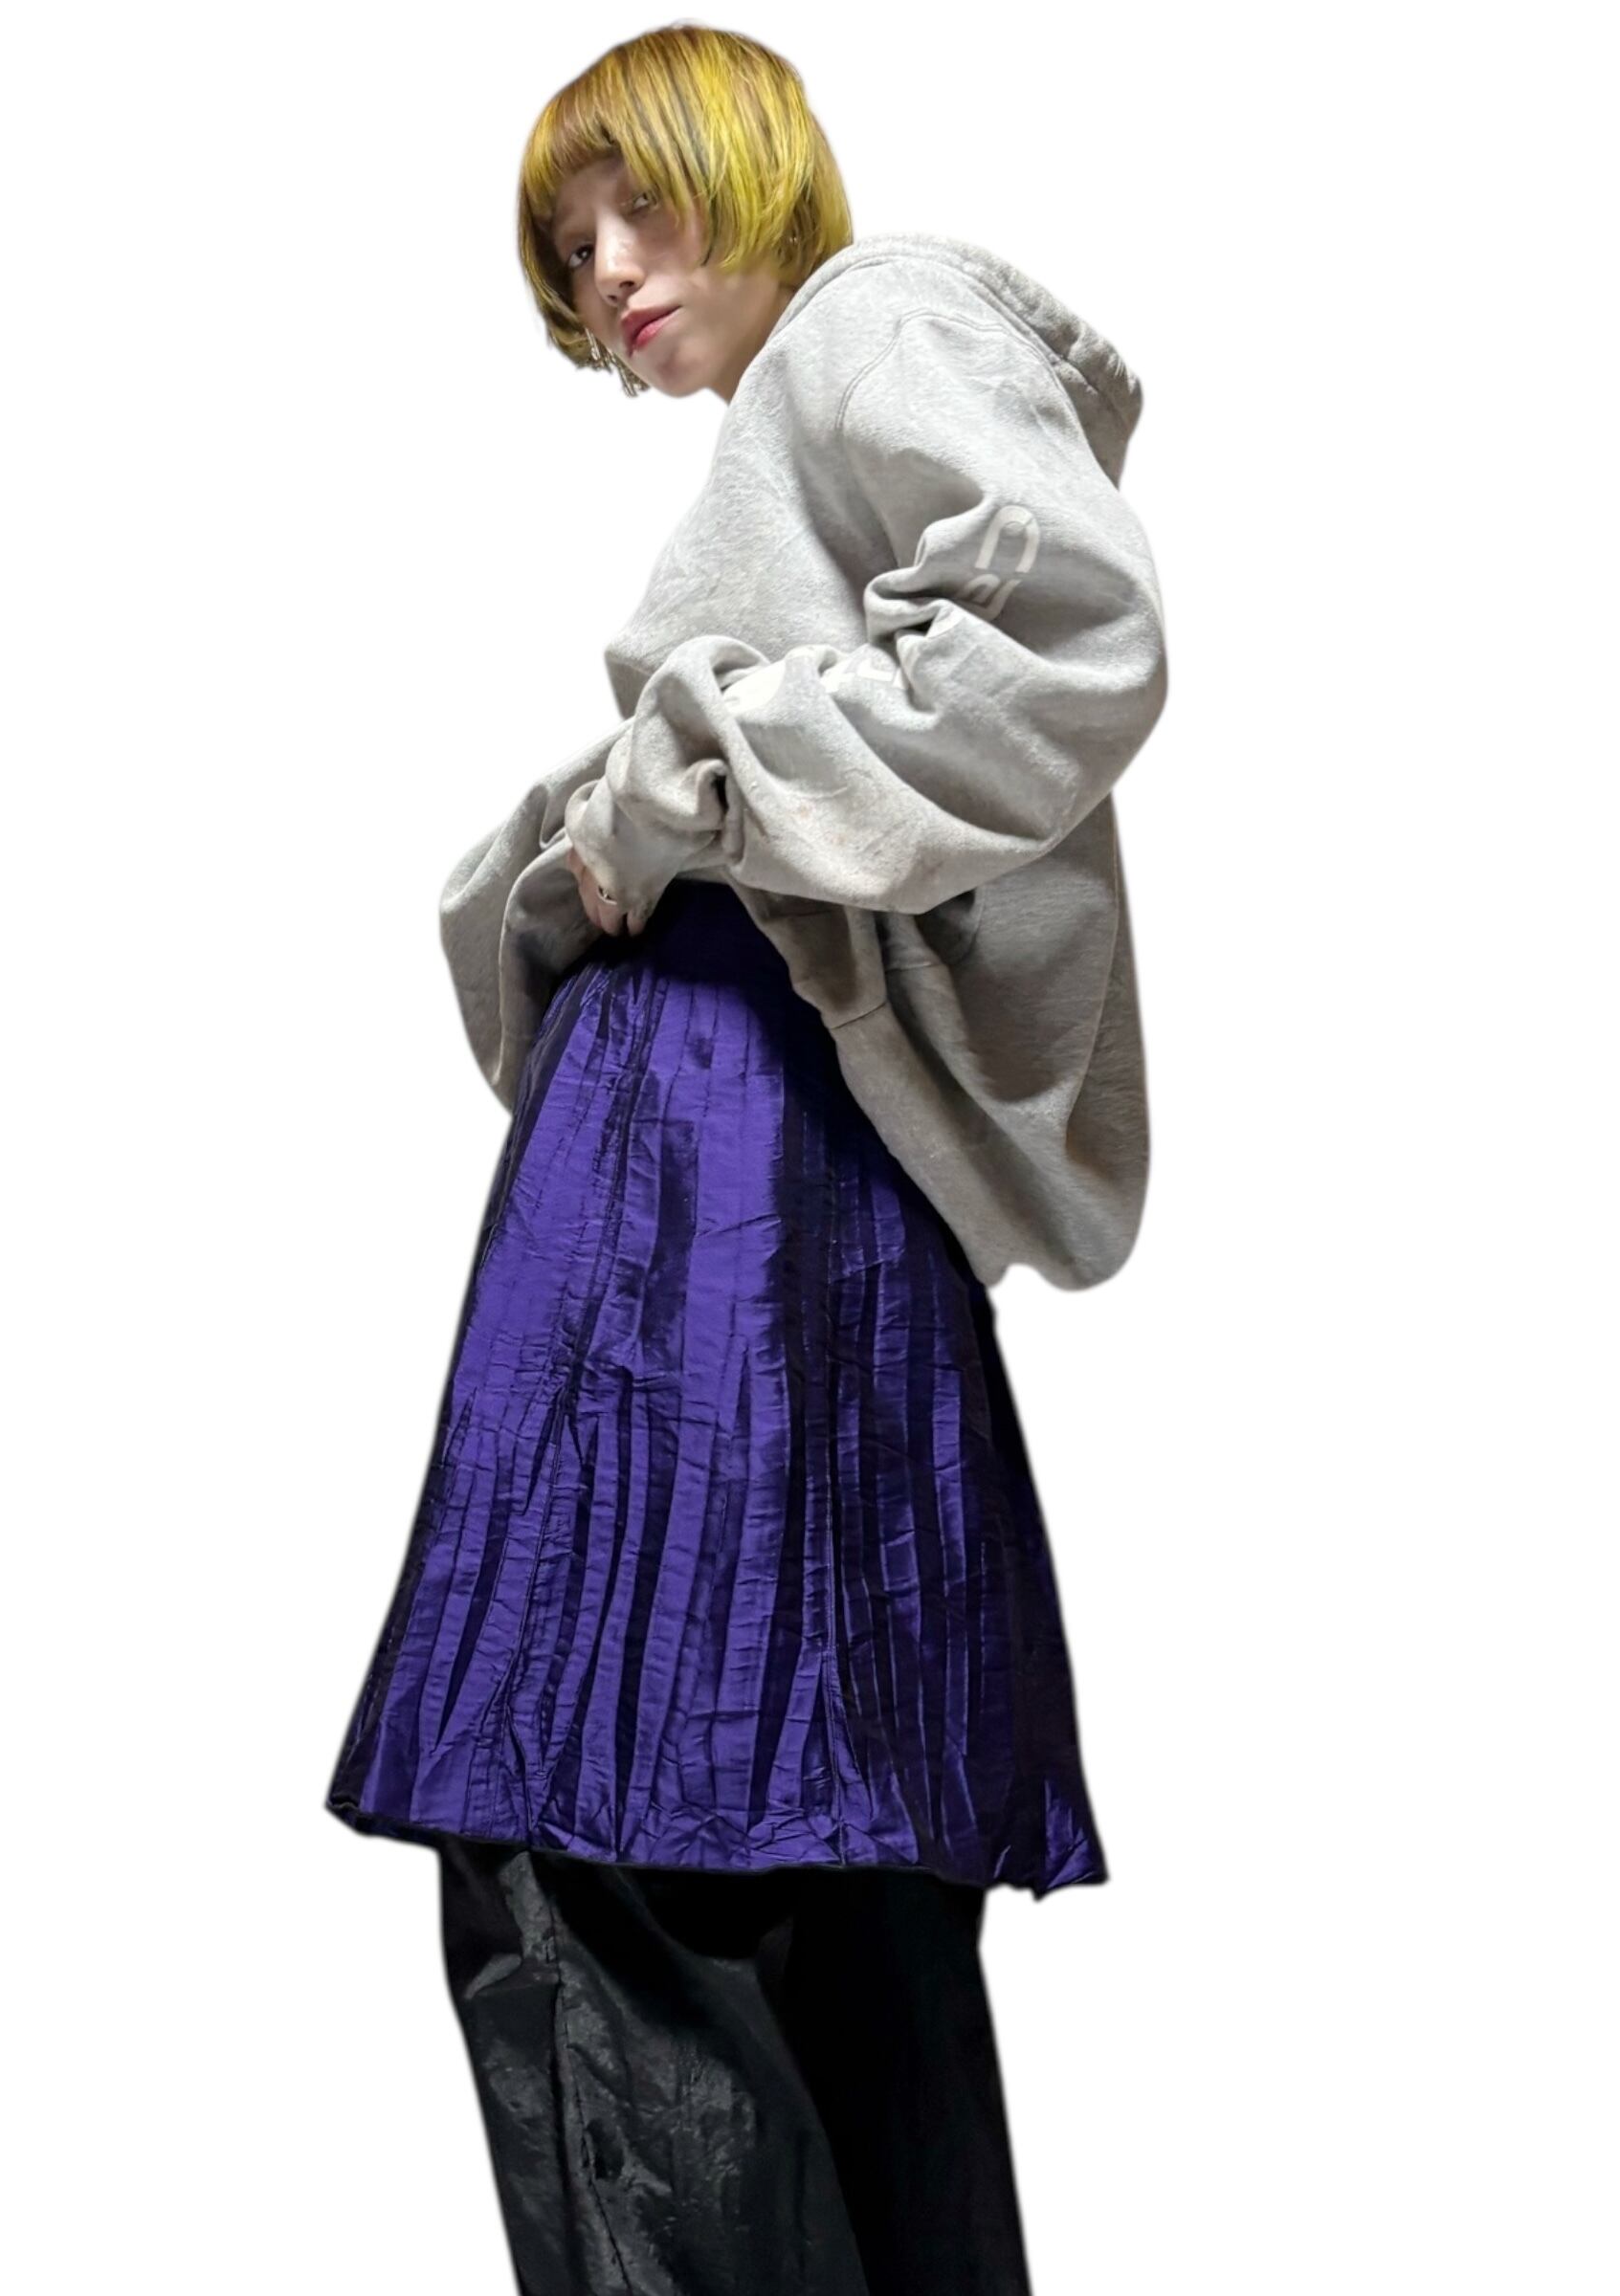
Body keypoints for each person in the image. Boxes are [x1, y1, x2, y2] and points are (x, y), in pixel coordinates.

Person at [325, 24, 1168, 2296]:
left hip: (716, 1185)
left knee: (581, 1816)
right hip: (757, 1188)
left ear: (753, 163)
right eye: (568, 246)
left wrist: (675, 786)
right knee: (816, 1862)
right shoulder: (829, 395)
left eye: (640, 203)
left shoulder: (874, 320)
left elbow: (1073, 636)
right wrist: (611, 832)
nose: (606, 272)